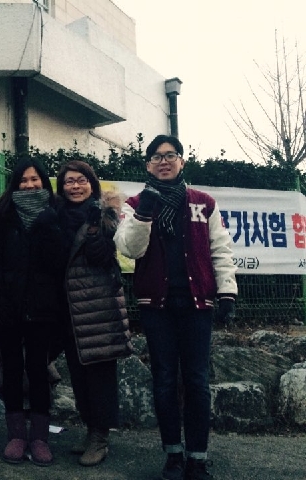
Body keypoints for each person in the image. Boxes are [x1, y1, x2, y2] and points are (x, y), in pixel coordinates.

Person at [114, 135, 238, 480]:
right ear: (147, 165)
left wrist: (227, 292)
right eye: (156, 157)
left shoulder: (203, 203)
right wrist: (145, 213)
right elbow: (130, 250)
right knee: (165, 379)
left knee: (197, 380)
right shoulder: (135, 203)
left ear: (182, 161)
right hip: (157, 305)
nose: (164, 161)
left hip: (197, 303)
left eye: (171, 155)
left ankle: (197, 458)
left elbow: (221, 249)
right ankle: (173, 454)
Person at [0, 157, 65, 467]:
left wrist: (49, 226)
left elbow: (58, 262)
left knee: (39, 370)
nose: (30, 185)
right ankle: (16, 435)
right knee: (12, 369)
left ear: (44, 181)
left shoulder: (55, 213)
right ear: (15, 184)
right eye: (23, 180)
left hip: (43, 308)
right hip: (9, 306)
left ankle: (40, 438)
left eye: (35, 179)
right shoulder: (2, 216)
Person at [54, 160, 133, 467]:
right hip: (69, 308)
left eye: (81, 180)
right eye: (69, 181)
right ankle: (90, 430)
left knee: (100, 375)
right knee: (78, 374)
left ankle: (100, 437)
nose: (75, 186)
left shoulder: (106, 214)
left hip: (97, 307)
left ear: (92, 183)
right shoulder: (56, 215)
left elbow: (101, 256)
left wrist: (93, 227)